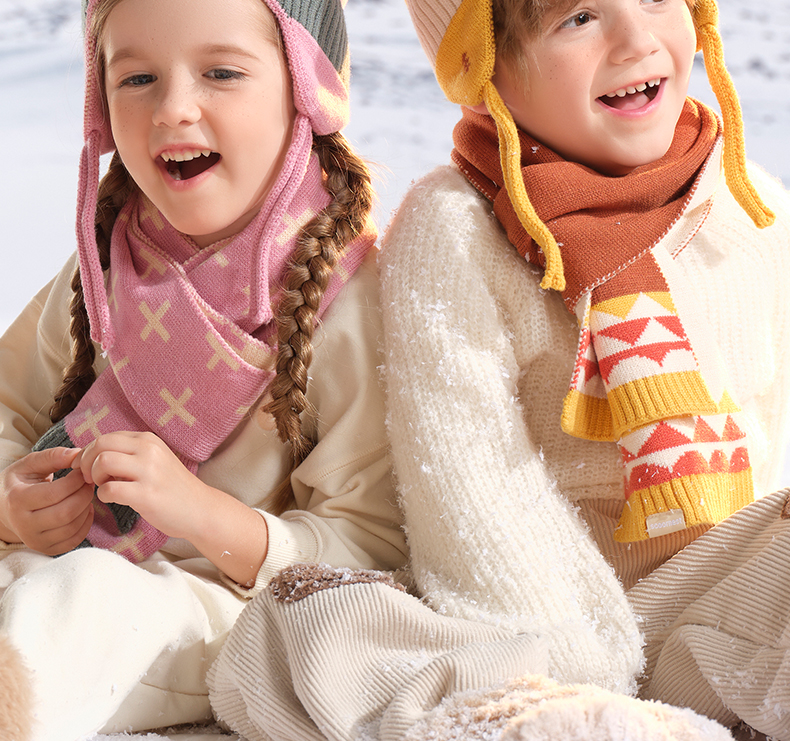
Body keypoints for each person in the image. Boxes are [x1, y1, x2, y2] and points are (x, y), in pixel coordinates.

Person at [207, 0, 790, 739]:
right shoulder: (456, 227)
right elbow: (470, 483)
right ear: (482, 64)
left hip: (703, 603)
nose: (636, 39)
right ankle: (559, 719)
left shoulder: (748, 200)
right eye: (579, 17)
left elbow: (764, 449)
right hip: (528, 621)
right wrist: (579, 664)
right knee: (314, 621)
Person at [0, 0, 407, 737]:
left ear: (309, 89)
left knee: (83, 602)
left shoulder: (351, 305)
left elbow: (369, 548)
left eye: (221, 72)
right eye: (137, 79)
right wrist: (11, 501)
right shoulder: (104, 260)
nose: (172, 109)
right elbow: (9, 406)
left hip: (210, 607)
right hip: (41, 565)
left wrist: (200, 512)